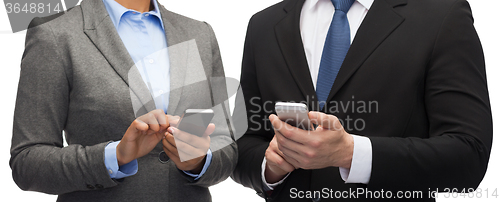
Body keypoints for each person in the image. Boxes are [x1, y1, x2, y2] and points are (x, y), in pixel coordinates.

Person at [231, 0, 492, 201]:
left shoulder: (441, 15)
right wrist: (270, 166)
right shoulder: (263, 25)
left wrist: (351, 154)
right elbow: (241, 146)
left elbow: (469, 154)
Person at [10, 0, 236, 201]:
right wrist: (114, 156)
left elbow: (225, 146)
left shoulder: (200, 33)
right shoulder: (55, 33)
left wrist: (199, 161)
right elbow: (27, 162)